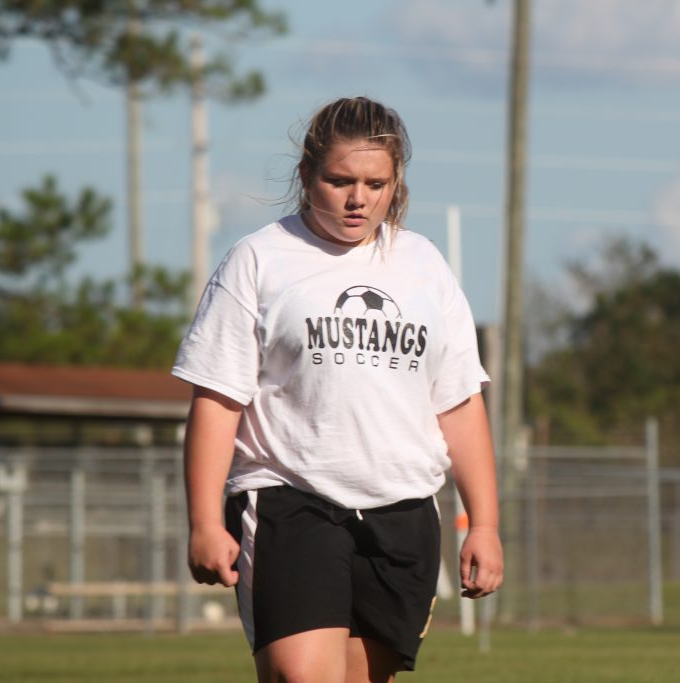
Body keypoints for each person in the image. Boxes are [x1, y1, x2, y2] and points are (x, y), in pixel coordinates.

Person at [172, 96, 503, 683]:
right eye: (339, 180)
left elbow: (459, 403)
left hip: (401, 512)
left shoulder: (424, 265)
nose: (358, 199)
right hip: (289, 499)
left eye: (376, 184)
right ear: (306, 174)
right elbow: (218, 401)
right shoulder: (260, 260)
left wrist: (484, 524)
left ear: (395, 180)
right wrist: (204, 520)